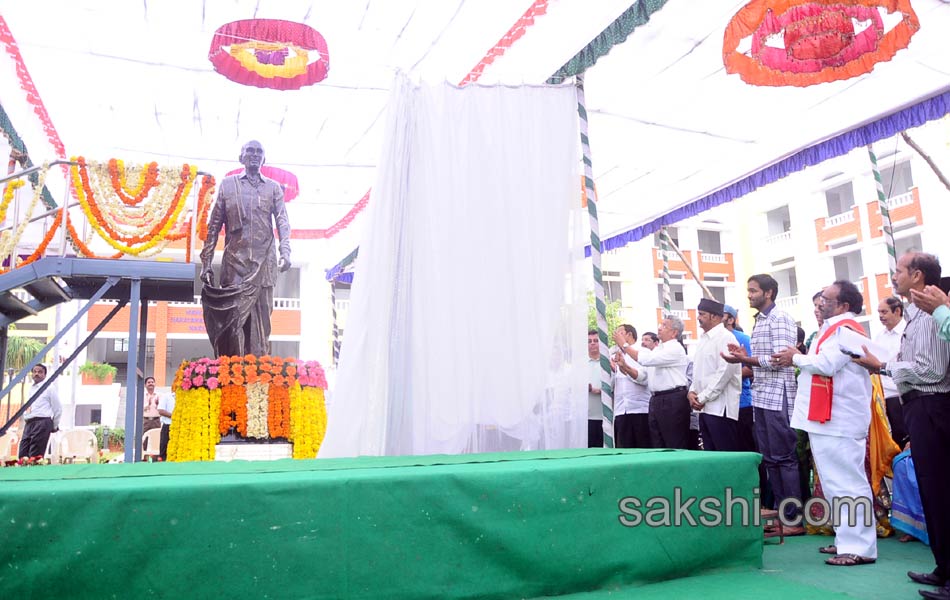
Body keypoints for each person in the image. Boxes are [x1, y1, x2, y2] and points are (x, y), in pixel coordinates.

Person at [854, 252, 950, 597]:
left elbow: (932, 371)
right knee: (932, 490)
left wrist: (883, 367)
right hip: (919, 407)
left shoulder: (932, 315)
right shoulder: (917, 315)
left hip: (931, 405)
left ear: (918, 276)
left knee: (940, 491)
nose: (894, 276)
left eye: (899, 271)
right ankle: (943, 568)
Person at [773, 280, 876, 566]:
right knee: (834, 483)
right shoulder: (833, 328)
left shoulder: (845, 329)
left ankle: (859, 548)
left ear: (843, 305)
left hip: (840, 419)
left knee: (847, 484)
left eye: (827, 299)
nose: (821, 302)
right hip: (828, 419)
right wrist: (798, 358)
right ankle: (847, 540)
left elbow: (827, 365)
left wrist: (796, 357)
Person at [722, 274, 802, 535]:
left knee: (784, 458)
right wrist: (745, 358)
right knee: (770, 459)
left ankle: (793, 520)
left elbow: (781, 359)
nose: (749, 295)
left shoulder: (780, 318)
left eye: (754, 291)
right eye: (749, 290)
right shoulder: (761, 321)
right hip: (762, 396)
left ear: (769, 293)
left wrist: (746, 360)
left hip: (778, 395)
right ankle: (782, 516)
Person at [200, 140, 292, 358]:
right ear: (241, 157)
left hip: (264, 263)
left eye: (259, 151)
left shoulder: (273, 188)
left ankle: (258, 375)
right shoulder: (228, 185)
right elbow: (214, 225)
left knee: (262, 321)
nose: (254, 154)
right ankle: (232, 374)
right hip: (235, 264)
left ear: (264, 159)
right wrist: (206, 262)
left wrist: (286, 250)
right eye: (250, 150)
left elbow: (282, 220)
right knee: (233, 321)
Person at [618, 315, 690, 449]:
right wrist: (625, 367)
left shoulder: (675, 348)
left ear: (674, 332)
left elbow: (647, 360)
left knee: (674, 442)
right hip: (656, 399)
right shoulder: (658, 349)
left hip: (672, 398)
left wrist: (625, 345)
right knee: (658, 443)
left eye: (664, 326)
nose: (660, 328)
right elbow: (644, 376)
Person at [688, 299, 741, 451]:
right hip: (704, 408)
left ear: (715, 317)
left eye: (702, 314)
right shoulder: (703, 340)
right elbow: (698, 371)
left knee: (725, 456)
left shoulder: (726, 337)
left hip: (720, 409)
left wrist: (702, 397)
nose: (698, 318)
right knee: (711, 456)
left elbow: (724, 373)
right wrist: (692, 392)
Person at [874, 296, 908, 448]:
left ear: (897, 311)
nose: (881, 316)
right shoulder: (879, 337)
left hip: (900, 395)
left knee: (905, 439)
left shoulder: (907, 332)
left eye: (884, 312)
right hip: (882, 397)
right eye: (879, 312)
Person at [610, 325, 651, 449]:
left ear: (629, 335)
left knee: (643, 449)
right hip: (620, 411)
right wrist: (612, 369)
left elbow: (644, 379)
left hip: (640, 410)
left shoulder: (642, 353)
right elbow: (611, 386)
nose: (616, 336)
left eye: (620, 333)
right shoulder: (613, 355)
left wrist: (625, 368)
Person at [723, 305, 756, 453]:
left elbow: (751, 369)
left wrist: (723, 378)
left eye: (720, 315)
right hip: (719, 405)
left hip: (741, 403)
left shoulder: (743, 339)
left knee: (746, 448)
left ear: (731, 319)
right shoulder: (711, 339)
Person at [18, 364, 62, 459]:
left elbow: (57, 408)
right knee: (22, 454)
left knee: (35, 455)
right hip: (29, 423)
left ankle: (34, 473)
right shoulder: (31, 388)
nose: (36, 374)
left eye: (40, 372)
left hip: (42, 422)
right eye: (34, 371)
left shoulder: (49, 388)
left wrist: (54, 426)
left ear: (45, 375)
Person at [587, 329, 606, 448]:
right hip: (585, 416)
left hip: (603, 415)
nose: (592, 343)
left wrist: (598, 391)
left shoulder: (607, 363)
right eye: (589, 341)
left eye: (596, 340)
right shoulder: (579, 364)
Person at [157, 384, 176, 461]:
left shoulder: (186, 397)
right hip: (168, 426)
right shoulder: (167, 396)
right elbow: (161, 410)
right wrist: (175, 417)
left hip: (181, 428)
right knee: (164, 450)